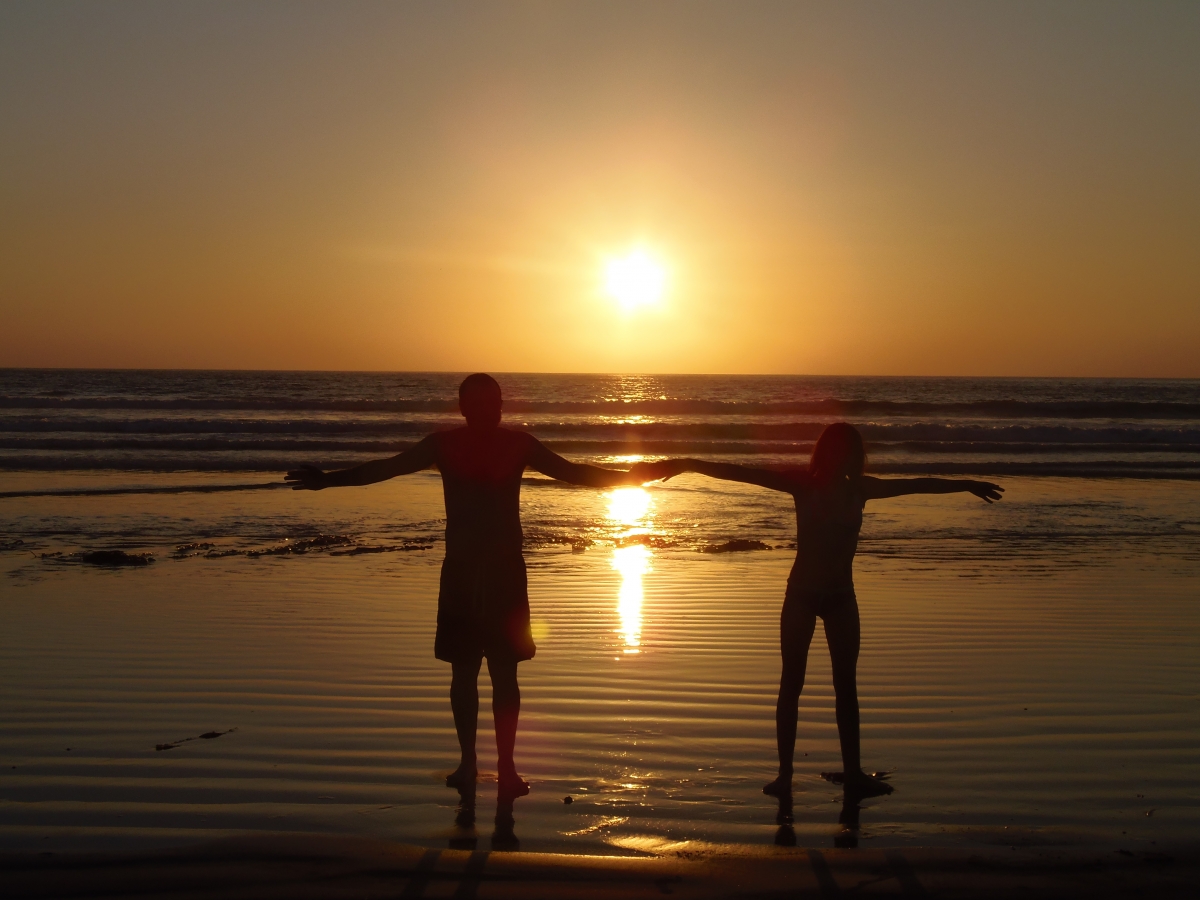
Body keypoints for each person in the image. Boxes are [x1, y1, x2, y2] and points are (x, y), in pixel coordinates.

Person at [286, 373, 646, 799]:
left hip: (505, 571)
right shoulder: (444, 444)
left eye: (491, 402)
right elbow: (384, 469)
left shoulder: (518, 444)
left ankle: (507, 768)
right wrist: (328, 479)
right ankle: (469, 763)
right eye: (477, 403)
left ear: (500, 407)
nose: (485, 410)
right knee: (464, 672)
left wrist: (631, 478)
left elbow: (575, 474)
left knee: (505, 674)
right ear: (463, 408)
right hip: (460, 570)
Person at [634, 423, 1003, 798]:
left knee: (846, 686)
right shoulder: (802, 484)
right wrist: (686, 463)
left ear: (853, 456)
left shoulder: (861, 489)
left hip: (842, 597)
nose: (838, 457)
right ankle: (784, 775)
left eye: (846, 451)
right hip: (802, 596)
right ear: (823, 452)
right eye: (833, 450)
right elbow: (740, 473)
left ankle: (853, 773)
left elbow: (918, 483)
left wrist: (965, 484)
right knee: (791, 684)